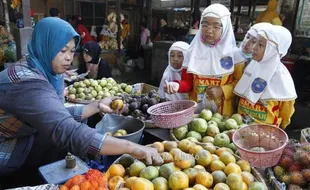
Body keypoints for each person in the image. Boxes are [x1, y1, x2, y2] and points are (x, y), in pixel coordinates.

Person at [0, 18, 162, 188]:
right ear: (45, 45)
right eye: (62, 50)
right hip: (8, 154)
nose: (69, 58)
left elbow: (54, 115)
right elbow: (65, 130)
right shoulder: (26, 82)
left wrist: (96, 105)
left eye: (72, 51)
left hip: (23, 139)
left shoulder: (39, 68)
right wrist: (133, 148)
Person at [165, 4, 246, 117]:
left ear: (226, 27)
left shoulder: (235, 55)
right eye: (205, 25)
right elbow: (187, 83)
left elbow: (241, 84)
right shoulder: (192, 52)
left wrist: (223, 90)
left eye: (216, 26)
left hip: (223, 116)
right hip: (196, 115)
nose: (209, 30)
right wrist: (177, 86)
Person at [234, 25, 297, 129]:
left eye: (260, 45)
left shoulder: (281, 76)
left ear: (272, 49)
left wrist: (281, 127)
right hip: (240, 128)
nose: (254, 47)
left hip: (266, 133)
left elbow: (287, 111)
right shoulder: (251, 67)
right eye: (255, 43)